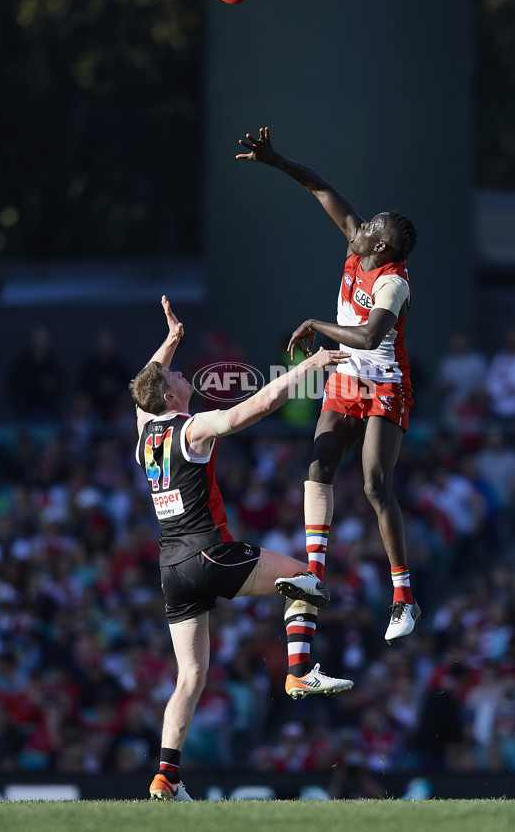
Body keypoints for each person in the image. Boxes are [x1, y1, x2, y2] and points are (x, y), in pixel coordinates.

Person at [129, 295, 353, 802]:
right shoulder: (193, 428)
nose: (185, 376)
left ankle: (166, 776)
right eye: (178, 375)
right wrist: (311, 365)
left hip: (171, 567)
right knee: (306, 577)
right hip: (209, 553)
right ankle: (299, 673)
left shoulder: (145, 436)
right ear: (169, 397)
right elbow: (258, 407)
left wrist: (170, 340)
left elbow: (142, 393)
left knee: (190, 676)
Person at [236, 127, 420, 643]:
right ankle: (315, 573)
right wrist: (274, 160)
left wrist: (317, 324)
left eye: (369, 228)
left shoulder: (393, 282)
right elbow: (319, 186)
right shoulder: (359, 246)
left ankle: (403, 599)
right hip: (345, 377)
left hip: (384, 384)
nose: (358, 227)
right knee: (317, 466)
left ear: (381, 244)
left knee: (374, 486)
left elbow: (368, 336)